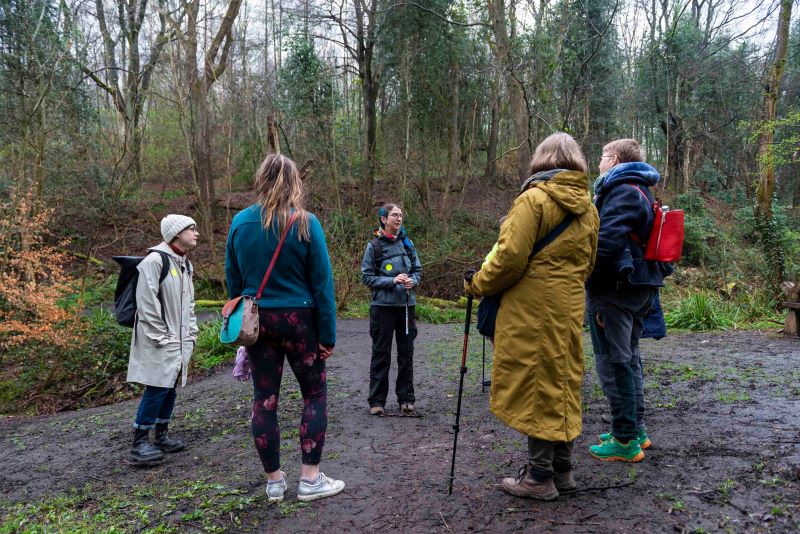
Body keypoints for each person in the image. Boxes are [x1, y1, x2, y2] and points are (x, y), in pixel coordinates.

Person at [464, 132, 599, 500]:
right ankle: (563, 471)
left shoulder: (533, 200)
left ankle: (540, 477)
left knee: (538, 383)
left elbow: (508, 260)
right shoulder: (589, 208)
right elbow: (588, 264)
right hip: (569, 305)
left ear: (541, 160)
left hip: (532, 307)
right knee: (564, 380)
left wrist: (476, 284)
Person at [225, 154, 344, 503]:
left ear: (261, 178)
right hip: (301, 322)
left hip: (260, 322)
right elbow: (322, 284)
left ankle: (275, 482)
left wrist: (244, 317)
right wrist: (328, 336)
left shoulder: (240, 223)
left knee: (264, 400)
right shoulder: (305, 223)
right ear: (295, 182)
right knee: (314, 396)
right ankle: (310, 479)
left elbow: (233, 283)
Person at [586, 138, 670, 463]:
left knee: (613, 361)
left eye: (602, 156)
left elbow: (605, 243)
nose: (599, 162)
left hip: (616, 290)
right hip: (639, 286)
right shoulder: (640, 188)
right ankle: (635, 429)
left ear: (615, 158)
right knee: (630, 358)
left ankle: (624, 439)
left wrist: (583, 276)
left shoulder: (620, 190)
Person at [127, 214, 199, 464]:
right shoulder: (155, 261)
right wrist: (163, 337)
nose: (196, 233)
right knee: (157, 387)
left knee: (169, 387)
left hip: (179, 341)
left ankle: (161, 435)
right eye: (191, 229)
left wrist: (191, 334)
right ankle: (139, 442)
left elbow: (189, 304)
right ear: (177, 233)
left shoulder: (184, 263)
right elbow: (146, 305)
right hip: (159, 340)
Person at [360, 203, 422, 416]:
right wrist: (392, 280)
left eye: (401, 215)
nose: (399, 218)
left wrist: (412, 281)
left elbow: (417, 270)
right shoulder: (374, 246)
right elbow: (367, 277)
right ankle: (377, 402)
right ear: (383, 219)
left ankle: (406, 399)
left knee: (406, 353)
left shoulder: (408, 244)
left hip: (406, 306)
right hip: (382, 308)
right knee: (381, 354)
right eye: (394, 215)